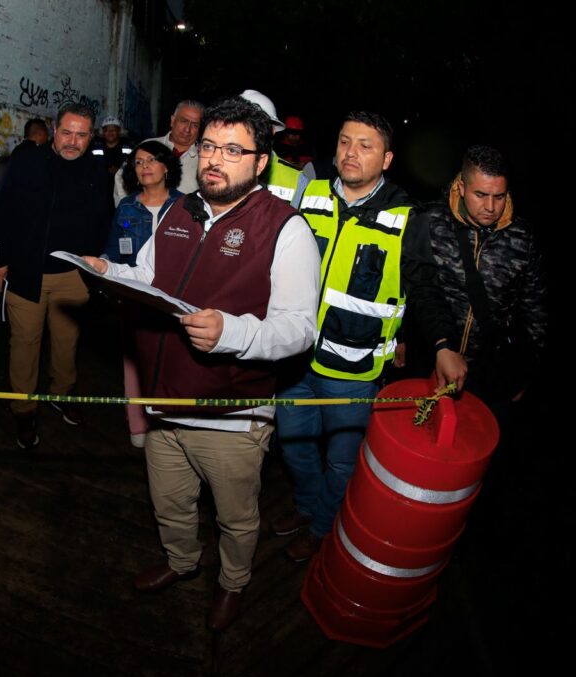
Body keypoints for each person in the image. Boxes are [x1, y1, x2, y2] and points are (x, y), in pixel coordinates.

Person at [83, 96, 321, 631]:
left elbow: (299, 329)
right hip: (164, 400)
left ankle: (232, 584)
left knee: (236, 519)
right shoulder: (179, 209)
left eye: (233, 150)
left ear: (261, 162)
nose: (215, 159)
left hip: (231, 413)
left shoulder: (285, 229)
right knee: (170, 503)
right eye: (210, 146)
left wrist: (231, 333)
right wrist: (110, 272)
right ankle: (181, 561)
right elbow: (149, 277)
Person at [273, 111, 467, 562]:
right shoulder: (311, 193)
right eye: (345, 141)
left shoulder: (407, 217)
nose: (351, 153)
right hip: (295, 358)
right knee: (294, 445)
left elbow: (425, 288)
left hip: (354, 370)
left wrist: (442, 346)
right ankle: (307, 505)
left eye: (365, 145)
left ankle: (322, 527)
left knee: (342, 461)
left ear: (387, 159)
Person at [0, 103, 113, 448]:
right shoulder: (28, 162)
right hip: (26, 272)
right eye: (67, 132)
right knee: (24, 344)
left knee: (67, 342)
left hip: (74, 275)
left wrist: (101, 261)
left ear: (91, 136)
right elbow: (2, 210)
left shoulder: (96, 170)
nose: (73, 141)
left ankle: (62, 394)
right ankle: (23, 409)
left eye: (81, 135)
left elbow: (104, 220)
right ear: (54, 130)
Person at [419, 145, 547, 413]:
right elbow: (412, 288)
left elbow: (534, 310)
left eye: (499, 196)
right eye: (480, 194)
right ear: (461, 187)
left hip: (490, 374)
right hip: (429, 360)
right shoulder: (429, 222)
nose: (490, 207)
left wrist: (525, 373)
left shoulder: (522, 239)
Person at [102, 140, 183, 448]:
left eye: (151, 160)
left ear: (166, 167)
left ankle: (168, 423)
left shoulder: (186, 206)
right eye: (138, 162)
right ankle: (137, 424)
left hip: (173, 298)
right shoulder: (127, 207)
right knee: (134, 362)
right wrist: (101, 268)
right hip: (135, 297)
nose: (145, 166)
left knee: (172, 361)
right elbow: (113, 251)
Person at [113, 100, 203, 204]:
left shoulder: (204, 158)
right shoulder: (148, 146)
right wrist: (128, 209)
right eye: (183, 121)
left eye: (195, 125)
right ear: (172, 121)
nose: (187, 129)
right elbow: (121, 178)